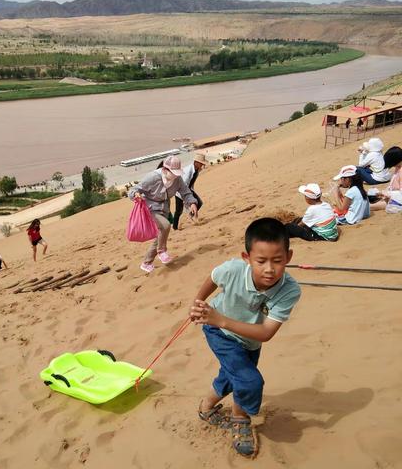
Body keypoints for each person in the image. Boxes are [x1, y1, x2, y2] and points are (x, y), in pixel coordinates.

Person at [189, 218, 301, 458]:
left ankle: (206, 407)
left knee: (231, 375)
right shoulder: (233, 269)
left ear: (288, 257)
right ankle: (240, 419)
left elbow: (266, 333)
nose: (269, 269)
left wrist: (221, 319)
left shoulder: (290, 290)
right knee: (249, 381)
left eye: (277, 260)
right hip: (218, 332)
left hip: (249, 338)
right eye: (261, 261)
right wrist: (197, 303)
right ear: (246, 257)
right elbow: (212, 278)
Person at [129, 155, 198, 273]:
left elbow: (185, 192)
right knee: (165, 226)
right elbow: (134, 190)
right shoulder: (152, 177)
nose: (176, 175)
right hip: (150, 209)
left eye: (177, 172)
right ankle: (162, 251)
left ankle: (146, 263)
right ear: (165, 170)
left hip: (164, 210)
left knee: (160, 236)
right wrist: (135, 195)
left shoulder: (177, 179)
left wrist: (192, 203)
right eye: (173, 172)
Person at [173, 153, 208, 230]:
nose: (202, 164)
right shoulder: (188, 170)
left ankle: (190, 216)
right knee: (178, 210)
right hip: (180, 191)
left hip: (189, 190)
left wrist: (191, 194)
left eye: (202, 163)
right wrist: (186, 199)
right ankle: (175, 227)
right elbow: (183, 185)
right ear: (196, 162)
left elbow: (191, 183)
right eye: (201, 163)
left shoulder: (197, 170)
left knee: (199, 202)